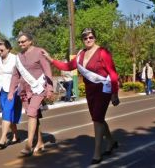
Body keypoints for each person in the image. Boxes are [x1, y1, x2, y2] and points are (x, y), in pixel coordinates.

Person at [43, 28, 120, 165]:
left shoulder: (103, 52)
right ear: (83, 40)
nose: (88, 40)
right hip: (90, 90)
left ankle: (97, 152)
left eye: (90, 37)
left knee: (97, 118)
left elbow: (112, 73)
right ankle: (111, 142)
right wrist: (50, 59)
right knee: (99, 118)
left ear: (95, 38)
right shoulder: (80, 55)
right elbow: (67, 66)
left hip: (103, 90)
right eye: (85, 38)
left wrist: (115, 93)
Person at [8, 32, 54, 156]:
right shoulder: (18, 56)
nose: (21, 44)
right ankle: (39, 142)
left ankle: (29, 145)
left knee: (32, 113)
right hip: (25, 90)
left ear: (30, 41)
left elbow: (47, 70)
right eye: (19, 42)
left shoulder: (39, 52)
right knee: (34, 116)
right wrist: (11, 91)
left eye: (23, 41)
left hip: (39, 88)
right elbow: (15, 75)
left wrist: (50, 88)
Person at [0, 39, 22, 149]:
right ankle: (16, 136)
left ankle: (3, 138)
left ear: (8, 49)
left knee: (7, 111)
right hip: (1, 91)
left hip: (13, 90)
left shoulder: (15, 58)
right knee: (7, 113)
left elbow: (21, 74)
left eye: (2, 50)